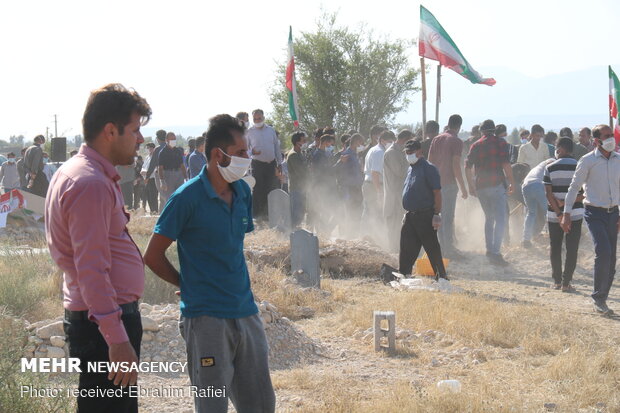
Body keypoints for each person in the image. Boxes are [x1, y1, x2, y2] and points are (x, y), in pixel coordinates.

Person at [143, 114, 275, 413]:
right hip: (206, 320)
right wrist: (185, 283)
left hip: (246, 312)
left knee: (261, 404)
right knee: (212, 406)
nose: (247, 158)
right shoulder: (186, 198)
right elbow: (152, 255)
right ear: (219, 154)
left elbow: (232, 248)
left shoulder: (242, 192)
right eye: (241, 152)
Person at [45, 83, 151, 412]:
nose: (140, 140)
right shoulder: (90, 184)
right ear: (110, 130)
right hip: (101, 327)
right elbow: (91, 269)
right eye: (134, 130)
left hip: (99, 321)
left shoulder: (86, 175)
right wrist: (116, 339)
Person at [562, 125, 620, 315]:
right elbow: (574, 187)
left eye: (611, 135)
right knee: (603, 251)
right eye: (606, 136)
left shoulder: (618, 160)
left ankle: (602, 296)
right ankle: (598, 298)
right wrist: (566, 213)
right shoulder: (587, 161)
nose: (611, 138)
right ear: (596, 140)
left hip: (614, 214)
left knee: (611, 257)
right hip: (594, 213)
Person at [465, 119, 515, 266]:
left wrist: (470, 185)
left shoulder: (476, 145)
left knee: (489, 218)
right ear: (494, 130)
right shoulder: (501, 143)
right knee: (500, 219)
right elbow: (506, 164)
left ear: (481, 131)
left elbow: (467, 167)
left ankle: (489, 249)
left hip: (481, 187)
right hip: (496, 185)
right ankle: (495, 252)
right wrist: (511, 181)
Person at [399, 139, 448, 280]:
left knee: (431, 247)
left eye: (411, 152)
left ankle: (442, 277)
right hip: (410, 215)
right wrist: (407, 210)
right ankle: (404, 274)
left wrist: (436, 214)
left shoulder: (429, 168)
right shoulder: (410, 168)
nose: (409, 155)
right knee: (406, 246)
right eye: (407, 152)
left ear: (420, 151)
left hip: (425, 215)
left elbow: (437, 192)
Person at [544, 137, 584, 292]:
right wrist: (569, 203)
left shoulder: (550, 167)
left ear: (560, 148)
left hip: (554, 215)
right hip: (576, 213)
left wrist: (560, 213)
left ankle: (556, 282)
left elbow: (548, 194)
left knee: (555, 247)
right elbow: (585, 193)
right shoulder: (580, 167)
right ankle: (567, 283)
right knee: (572, 248)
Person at [428, 114, 469, 257]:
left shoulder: (436, 139)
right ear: (459, 126)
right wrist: (463, 187)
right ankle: (449, 251)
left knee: (438, 217)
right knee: (448, 218)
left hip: (435, 185)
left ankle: (442, 248)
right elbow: (456, 165)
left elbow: (430, 162)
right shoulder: (456, 141)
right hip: (449, 184)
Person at [247, 109, 281, 220]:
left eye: (259, 118)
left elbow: (276, 147)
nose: (257, 120)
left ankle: (270, 214)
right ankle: (258, 216)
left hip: (271, 164)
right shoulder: (249, 132)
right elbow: (245, 150)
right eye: (255, 119)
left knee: (271, 188)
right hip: (257, 164)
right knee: (258, 189)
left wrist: (279, 163)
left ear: (263, 118)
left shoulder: (271, 130)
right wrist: (252, 152)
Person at [383, 130, 413, 252]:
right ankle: (394, 252)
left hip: (400, 196)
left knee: (401, 227)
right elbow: (400, 172)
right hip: (394, 197)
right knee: (394, 228)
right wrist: (411, 163)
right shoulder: (391, 153)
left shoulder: (398, 152)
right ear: (404, 140)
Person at [362, 130, 395, 238]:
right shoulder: (379, 152)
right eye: (389, 141)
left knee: (369, 212)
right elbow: (375, 173)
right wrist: (379, 192)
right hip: (374, 185)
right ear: (382, 140)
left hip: (370, 184)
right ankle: (373, 237)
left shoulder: (374, 149)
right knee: (375, 213)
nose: (391, 143)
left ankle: (367, 236)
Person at [335, 133, 365, 237]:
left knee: (357, 213)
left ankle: (354, 234)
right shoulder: (346, 154)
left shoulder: (355, 154)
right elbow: (337, 171)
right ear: (356, 142)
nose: (362, 145)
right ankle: (349, 235)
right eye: (361, 143)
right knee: (350, 213)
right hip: (349, 189)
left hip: (357, 188)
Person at [521, 159, 554, 248]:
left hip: (526, 186)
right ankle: (554, 241)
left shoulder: (539, 165)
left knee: (531, 213)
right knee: (549, 212)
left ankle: (526, 240)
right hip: (538, 185)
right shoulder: (552, 161)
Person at [310, 134, 337, 234]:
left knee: (326, 210)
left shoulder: (324, 153)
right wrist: (339, 163)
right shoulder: (318, 155)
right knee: (322, 210)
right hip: (321, 186)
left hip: (326, 185)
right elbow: (324, 170)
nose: (331, 145)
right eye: (330, 143)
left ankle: (324, 231)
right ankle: (321, 232)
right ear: (325, 142)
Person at [158, 132, 187, 205]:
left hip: (179, 175)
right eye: (171, 139)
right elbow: (160, 168)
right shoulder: (163, 152)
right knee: (170, 198)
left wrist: (186, 177)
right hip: (168, 175)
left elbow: (182, 165)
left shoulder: (178, 151)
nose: (173, 141)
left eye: (174, 139)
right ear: (166, 140)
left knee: (180, 196)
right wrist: (162, 180)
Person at [287, 131, 308, 228]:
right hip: (296, 189)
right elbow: (301, 172)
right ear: (297, 142)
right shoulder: (293, 155)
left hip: (302, 188)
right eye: (303, 140)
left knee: (301, 212)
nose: (305, 142)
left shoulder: (300, 153)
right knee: (296, 214)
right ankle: (291, 234)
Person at [145, 129, 168, 211]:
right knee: (165, 195)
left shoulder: (157, 149)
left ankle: (162, 214)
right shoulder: (170, 147)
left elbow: (152, 165)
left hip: (159, 175)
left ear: (157, 138)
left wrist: (147, 177)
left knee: (163, 196)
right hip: (170, 174)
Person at [141, 142, 159, 214]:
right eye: (147, 148)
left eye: (150, 148)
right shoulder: (147, 157)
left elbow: (155, 168)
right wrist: (142, 171)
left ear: (153, 149)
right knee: (148, 196)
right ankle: (152, 210)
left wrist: (147, 172)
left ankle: (155, 211)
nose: (148, 149)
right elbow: (144, 167)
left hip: (153, 178)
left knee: (153, 196)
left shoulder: (155, 157)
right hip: (146, 179)